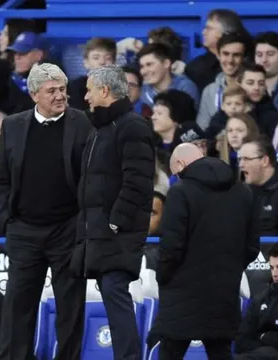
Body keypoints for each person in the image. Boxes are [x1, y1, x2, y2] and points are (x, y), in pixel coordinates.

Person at [0, 63, 90, 360]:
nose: (60, 96)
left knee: (70, 306)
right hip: (24, 229)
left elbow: (91, 175)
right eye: (51, 91)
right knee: (18, 306)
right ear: (34, 94)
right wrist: (7, 218)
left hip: (68, 228)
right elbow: (2, 178)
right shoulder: (12, 125)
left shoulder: (84, 123)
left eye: (62, 89)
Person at [72, 64, 155, 360]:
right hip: (97, 231)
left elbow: (138, 181)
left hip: (116, 232)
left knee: (115, 292)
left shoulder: (132, 126)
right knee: (111, 293)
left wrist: (115, 223)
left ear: (105, 91)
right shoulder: (100, 129)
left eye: (90, 89)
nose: (85, 97)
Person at [151, 143, 260, 360]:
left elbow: (172, 246)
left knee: (170, 352)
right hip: (224, 291)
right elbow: (252, 246)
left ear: (181, 165)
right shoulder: (243, 192)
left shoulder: (180, 192)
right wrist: (230, 268)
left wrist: (163, 276)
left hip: (181, 293)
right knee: (220, 352)